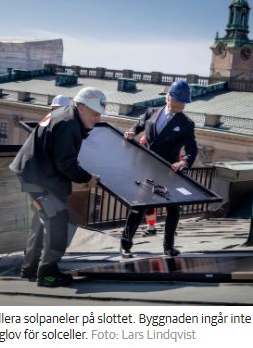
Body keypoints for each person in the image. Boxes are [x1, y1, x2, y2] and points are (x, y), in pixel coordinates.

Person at [10, 87, 106, 287]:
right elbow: (65, 163)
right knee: (57, 220)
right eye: (95, 113)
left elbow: (60, 156)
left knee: (42, 220)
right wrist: (87, 178)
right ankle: (48, 274)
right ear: (81, 107)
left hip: (34, 173)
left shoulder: (66, 116)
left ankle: (29, 268)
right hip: (39, 177)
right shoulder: (69, 124)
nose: (97, 119)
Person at [120, 80, 197, 258]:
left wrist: (185, 161)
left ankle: (168, 247)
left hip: (168, 171)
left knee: (173, 209)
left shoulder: (186, 123)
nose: (180, 105)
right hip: (147, 168)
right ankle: (125, 245)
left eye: (183, 102)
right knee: (139, 206)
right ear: (168, 97)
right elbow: (137, 126)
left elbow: (192, 149)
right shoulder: (151, 112)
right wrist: (131, 132)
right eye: (177, 100)